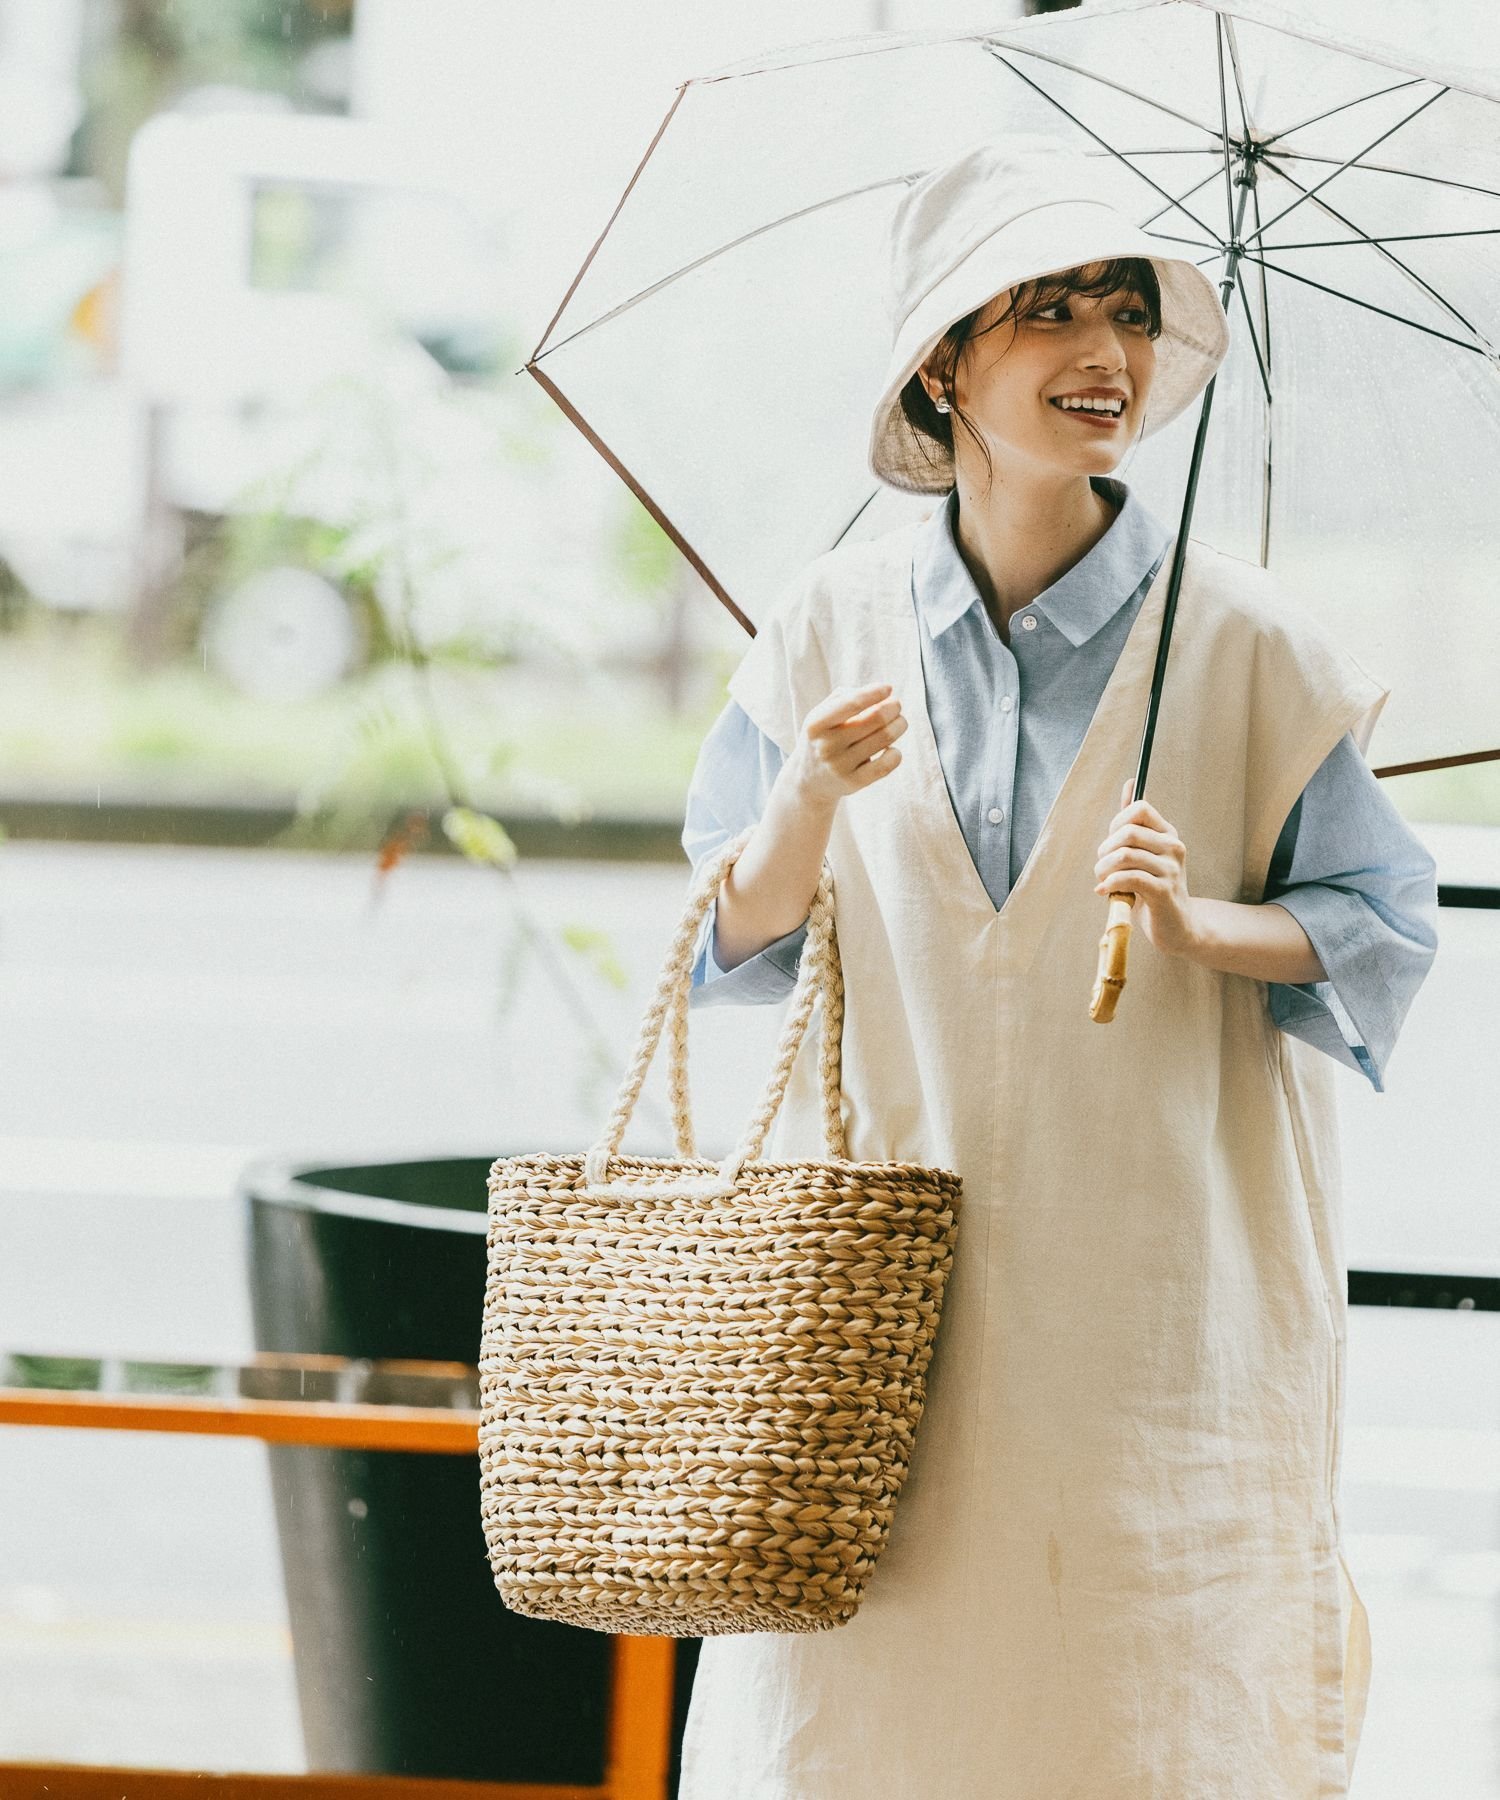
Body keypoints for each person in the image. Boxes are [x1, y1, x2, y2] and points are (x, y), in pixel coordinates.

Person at [674, 136, 1439, 1799]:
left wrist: (1197, 922)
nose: (1104, 355)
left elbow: (1382, 932)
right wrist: (805, 793)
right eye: (1046, 314)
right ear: (944, 366)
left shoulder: (1246, 647)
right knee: (860, 1727)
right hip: (870, 1340)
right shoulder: (821, 627)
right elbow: (726, 947)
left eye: (1127, 314)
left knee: (1142, 1725)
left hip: (1160, 1324)